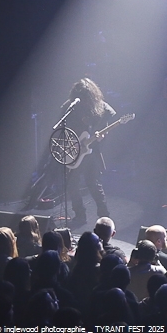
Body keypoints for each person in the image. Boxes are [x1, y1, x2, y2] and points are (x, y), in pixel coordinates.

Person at [62, 78, 115, 225]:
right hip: (75, 150)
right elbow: (64, 127)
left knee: (93, 184)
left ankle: (104, 216)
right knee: (72, 184)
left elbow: (105, 128)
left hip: (92, 152)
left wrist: (101, 136)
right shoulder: (71, 106)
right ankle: (80, 215)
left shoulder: (102, 108)